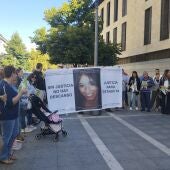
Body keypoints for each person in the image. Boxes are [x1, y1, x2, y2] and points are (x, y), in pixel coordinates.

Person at [0, 65, 27, 164]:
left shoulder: (10, 84)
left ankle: (8, 154)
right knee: (7, 137)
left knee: (14, 134)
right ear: (12, 74)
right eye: (15, 73)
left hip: (14, 115)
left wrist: (21, 93)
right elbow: (11, 103)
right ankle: (3, 157)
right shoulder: (3, 85)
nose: (17, 75)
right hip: (7, 116)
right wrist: (21, 93)